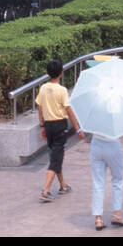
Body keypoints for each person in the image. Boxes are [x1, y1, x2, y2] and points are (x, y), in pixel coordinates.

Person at [36, 58, 83, 202]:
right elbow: (69, 110)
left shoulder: (43, 88)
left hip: (48, 125)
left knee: (55, 156)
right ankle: (45, 190)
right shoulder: (62, 90)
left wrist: (42, 126)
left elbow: (40, 107)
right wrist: (77, 128)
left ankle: (63, 185)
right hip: (59, 127)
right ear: (61, 72)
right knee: (56, 158)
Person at [89, 131, 123, 230]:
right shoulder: (117, 114)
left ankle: (98, 219)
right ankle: (117, 214)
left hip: (96, 143)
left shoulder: (93, 115)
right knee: (118, 180)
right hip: (113, 143)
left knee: (98, 183)